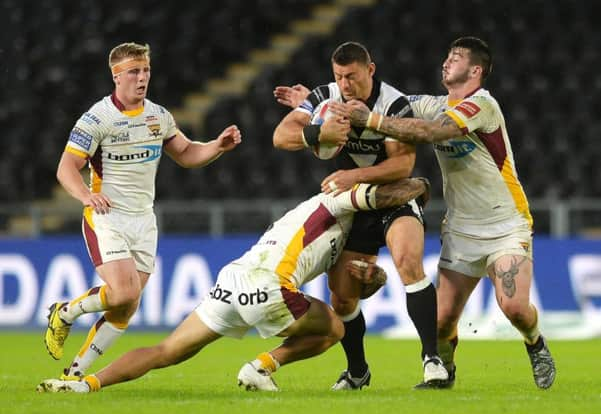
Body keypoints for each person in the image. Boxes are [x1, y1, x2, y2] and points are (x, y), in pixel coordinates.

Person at [37, 177, 430, 393]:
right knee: (333, 329)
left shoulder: (345, 238)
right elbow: (387, 193)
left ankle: (86, 384)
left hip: (233, 277)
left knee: (168, 350)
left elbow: (349, 287)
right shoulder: (340, 201)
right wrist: (421, 187)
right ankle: (261, 367)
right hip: (268, 286)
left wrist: (375, 278)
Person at [329, 36, 556, 389]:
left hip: (505, 224)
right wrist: (311, 100)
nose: (446, 61)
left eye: (456, 57)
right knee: (441, 323)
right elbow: (395, 104)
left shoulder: (482, 105)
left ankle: (535, 342)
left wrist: (371, 119)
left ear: (475, 70)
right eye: (447, 55)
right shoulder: (432, 104)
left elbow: (429, 131)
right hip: (461, 229)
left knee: (513, 308)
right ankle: (445, 374)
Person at [43, 42, 242, 381]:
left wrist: (217, 147)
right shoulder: (97, 118)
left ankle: (74, 375)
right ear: (116, 76)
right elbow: (66, 168)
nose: (142, 77)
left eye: (146, 70)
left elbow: (187, 153)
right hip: (107, 217)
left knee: (126, 306)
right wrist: (85, 197)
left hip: (143, 221)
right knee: (124, 292)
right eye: (134, 71)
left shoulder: (158, 116)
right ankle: (64, 312)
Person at [273, 41, 447, 390]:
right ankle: (357, 372)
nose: (345, 84)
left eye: (351, 76)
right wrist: (317, 132)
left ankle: (432, 360)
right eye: (339, 76)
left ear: (371, 69)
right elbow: (281, 136)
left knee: (409, 263)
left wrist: (353, 176)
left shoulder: (393, 104)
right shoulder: (325, 97)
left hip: (392, 197)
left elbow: (403, 163)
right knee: (341, 293)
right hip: (352, 207)